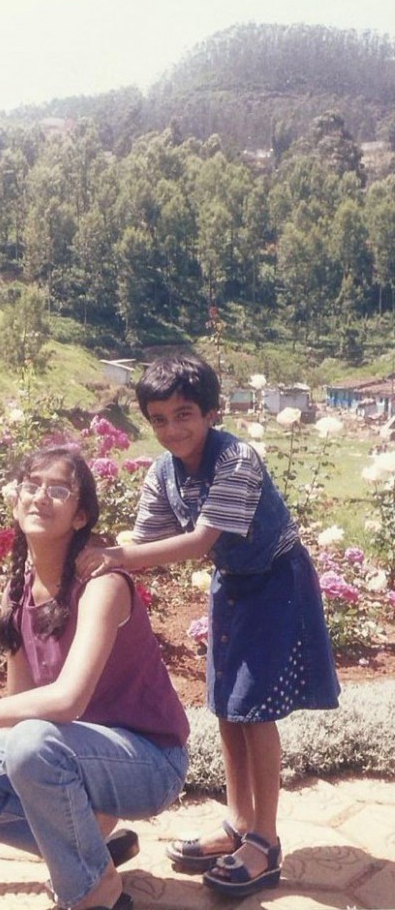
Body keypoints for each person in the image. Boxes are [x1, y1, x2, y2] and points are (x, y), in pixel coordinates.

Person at [78, 354, 340, 898]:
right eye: (159, 419)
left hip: (276, 583)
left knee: (256, 709)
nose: (173, 430)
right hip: (233, 586)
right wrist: (86, 549)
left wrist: (120, 559)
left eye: (185, 414)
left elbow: (199, 542)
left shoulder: (237, 458)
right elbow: (143, 539)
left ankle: (264, 842)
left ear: (213, 412)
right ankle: (237, 822)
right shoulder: (163, 471)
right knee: (225, 705)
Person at [0, 446, 189, 910]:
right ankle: (87, 855)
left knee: (37, 743)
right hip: (68, 751)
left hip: (149, 763)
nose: (39, 498)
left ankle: (95, 893)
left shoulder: (103, 586)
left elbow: (66, 702)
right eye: (30, 486)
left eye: (58, 490)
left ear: (81, 516)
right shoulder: (17, 591)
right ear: (16, 500)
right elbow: (20, 714)